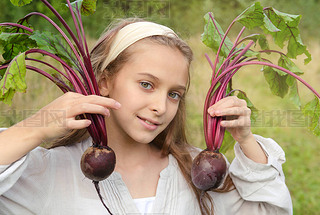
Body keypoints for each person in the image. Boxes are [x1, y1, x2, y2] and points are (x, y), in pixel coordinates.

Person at [0, 18, 292, 215]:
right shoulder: (46, 171)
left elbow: (268, 210)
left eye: (174, 94)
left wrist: (246, 140)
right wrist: (34, 129)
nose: (161, 107)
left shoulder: (195, 172)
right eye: (146, 85)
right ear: (104, 81)